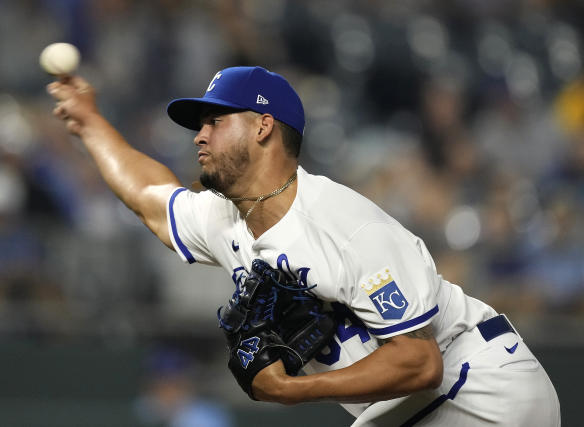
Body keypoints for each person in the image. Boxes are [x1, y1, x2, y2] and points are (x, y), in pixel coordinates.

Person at [47, 66, 561, 426]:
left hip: (482, 389)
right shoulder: (228, 217)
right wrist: (90, 124)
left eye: (215, 122)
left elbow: (419, 363)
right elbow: (149, 197)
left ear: (263, 126)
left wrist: (289, 390)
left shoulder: (344, 224)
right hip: (412, 406)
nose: (199, 136)